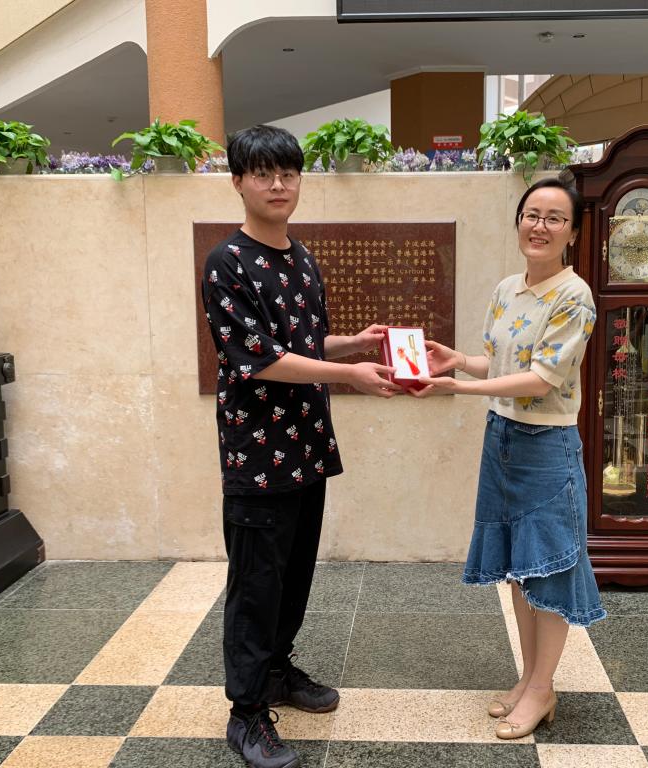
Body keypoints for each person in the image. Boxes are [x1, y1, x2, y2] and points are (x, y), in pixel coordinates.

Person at [201, 124, 401, 768]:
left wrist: (354, 345)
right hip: (257, 456)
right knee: (256, 584)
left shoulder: (302, 257)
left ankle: (278, 672)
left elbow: (303, 346)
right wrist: (350, 376)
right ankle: (246, 713)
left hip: (307, 446)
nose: (278, 184)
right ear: (238, 182)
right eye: (263, 173)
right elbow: (258, 359)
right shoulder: (227, 263)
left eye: (287, 172)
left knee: (293, 576)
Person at [414, 176, 607, 740]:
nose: (540, 226)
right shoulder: (506, 288)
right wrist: (457, 361)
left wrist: (458, 389)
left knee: (548, 571)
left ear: (573, 232)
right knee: (521, 572)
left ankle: (543, 689)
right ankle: (529, 679)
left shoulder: (574, 296)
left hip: (546, 447)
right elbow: (499, 364)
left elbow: (541, 380)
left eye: (554, 218)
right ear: (519, 221)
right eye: (532, 214)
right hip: (501, 439)